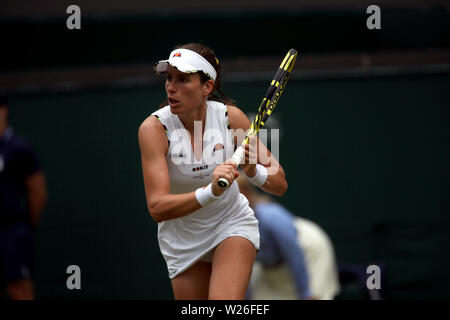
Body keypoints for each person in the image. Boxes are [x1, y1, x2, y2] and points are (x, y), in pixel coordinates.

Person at [138, 43, 288, 300]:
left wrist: (252, 171)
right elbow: (157, 207)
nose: (171, 87)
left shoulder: (234, 118)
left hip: (230, 223)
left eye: (183, 79)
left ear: (207, 86)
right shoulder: (154, 129)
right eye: (169, 78)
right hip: (181, 239)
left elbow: (280, 183)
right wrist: (211, 191)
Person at [236, 174, 340, 300]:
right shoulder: (230, 226)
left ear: (247, 192)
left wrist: (306, 293)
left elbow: (293, 251)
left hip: (307, 250)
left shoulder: (270, 216)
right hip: (272, 266)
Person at [0, 95, 48, 300]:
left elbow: (38, 192)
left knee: (19, 288)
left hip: (11, 232)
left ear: (4, 110)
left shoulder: (18, 147)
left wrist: (25, 227)